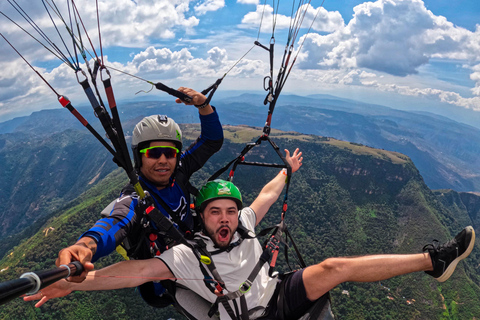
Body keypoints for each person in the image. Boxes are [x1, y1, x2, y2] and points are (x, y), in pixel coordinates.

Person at [26, 178, 475, 319]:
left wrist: (287, 169)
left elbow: (265, 196)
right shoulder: (187, 254)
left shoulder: (243, 221)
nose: (224, 218)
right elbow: (136, 273)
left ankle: (433, 261)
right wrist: (76, 286)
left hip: (277, 296)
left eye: (228, 210)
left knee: (335, 266)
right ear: (201, 219)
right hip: (240, 317)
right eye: (213, 212)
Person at [54, 87, 224, 309]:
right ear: (139, 157)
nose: (163, 160)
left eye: (170, 153)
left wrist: (203, 106)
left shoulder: (180, 169)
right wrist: (86, 245)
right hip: (165, 283)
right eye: (153, 153)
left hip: (194, 253)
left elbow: (212, 141)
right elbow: (115, 222)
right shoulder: (135, 197)